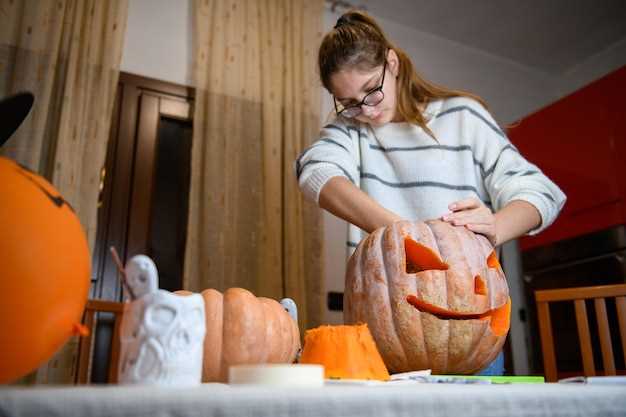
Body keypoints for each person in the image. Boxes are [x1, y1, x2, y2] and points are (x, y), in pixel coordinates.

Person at [295, 10, 566, 376]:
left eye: (371, 90)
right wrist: (404, 236)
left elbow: (542, 192)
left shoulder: (462, 116)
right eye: (350, 102)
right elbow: (316, 171)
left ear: (391, 62)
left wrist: (496, 227)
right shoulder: (351, 131)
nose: (366, 110)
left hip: (473, 327)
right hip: (384, 337)